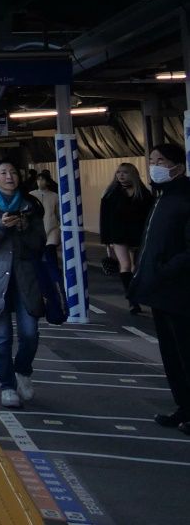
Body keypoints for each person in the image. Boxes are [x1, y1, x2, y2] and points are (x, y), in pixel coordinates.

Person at [0, 159, 47, 409]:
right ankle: (7, 386)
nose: (9, 176)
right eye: (3, 172)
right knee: (2, 338)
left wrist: (26, 228)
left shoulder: (31, 205)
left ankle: (23, 371)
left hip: (25, 278)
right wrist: (1, 227)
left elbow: (39, 243)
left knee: (30, 334)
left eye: (13, 171)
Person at [129, 143, 190, 432]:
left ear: (177, 166)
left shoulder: (186, 198)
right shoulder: (162, 198)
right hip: (160, 291)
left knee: (185, 352)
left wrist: (164, 271)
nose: (154, 165)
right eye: (151, 159)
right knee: (171, 355)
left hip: (180, 291)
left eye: (161, 160)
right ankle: (184, 407)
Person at [102, 163, 154, 314]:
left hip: (138, 234)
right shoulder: (111, 194)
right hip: (119, 234)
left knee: (136, 267)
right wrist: (107, 241)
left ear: (133, 174)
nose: (121, 175)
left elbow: (149, 216)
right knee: (125, 265)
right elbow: (105, 219)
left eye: (124, 172)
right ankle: (132, 300)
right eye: (118, 172)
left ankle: (135, 295)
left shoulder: (144, 194)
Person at [34, 171, 61, 268]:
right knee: (37, 258)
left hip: (52, 229)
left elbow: (58, 213)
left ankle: (57, 280)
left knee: (51, 255)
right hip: (36, 231)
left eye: (43, 179)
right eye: (38, 179)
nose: (40, 182)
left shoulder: (55, 196)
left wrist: (61, 226)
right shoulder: (31, 195)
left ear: (48, 182)